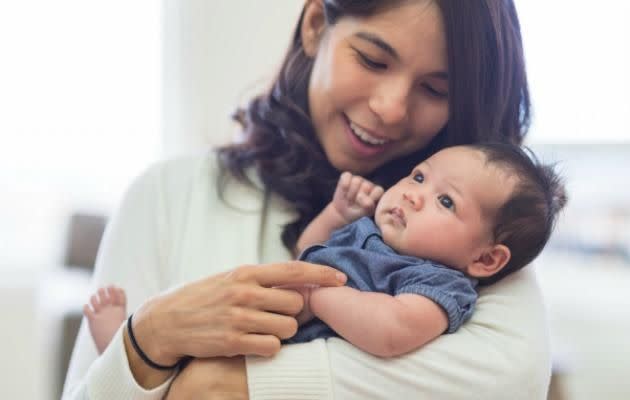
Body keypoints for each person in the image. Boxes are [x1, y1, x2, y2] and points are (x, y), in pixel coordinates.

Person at [63, 1, 550, 399]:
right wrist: (146, 337)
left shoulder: (467, 245)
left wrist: (228, 385)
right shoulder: (166, 194)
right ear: (317, 26)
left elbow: (513, 379)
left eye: (434, 90)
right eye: (372, 61)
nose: (391, 108)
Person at [82, 143, 566, 360]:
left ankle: (135, 356)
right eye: (419, 176)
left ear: (485, 259)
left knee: (207, 372)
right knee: (194, 340)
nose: (413, 194)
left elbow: (393, 332)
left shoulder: (440, 284)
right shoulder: (367, 232)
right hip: (260, 318)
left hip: (284, 349)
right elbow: (307, 250)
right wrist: (336, 215)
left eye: (445, 201)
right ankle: (125, 347)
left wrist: (317, 297)